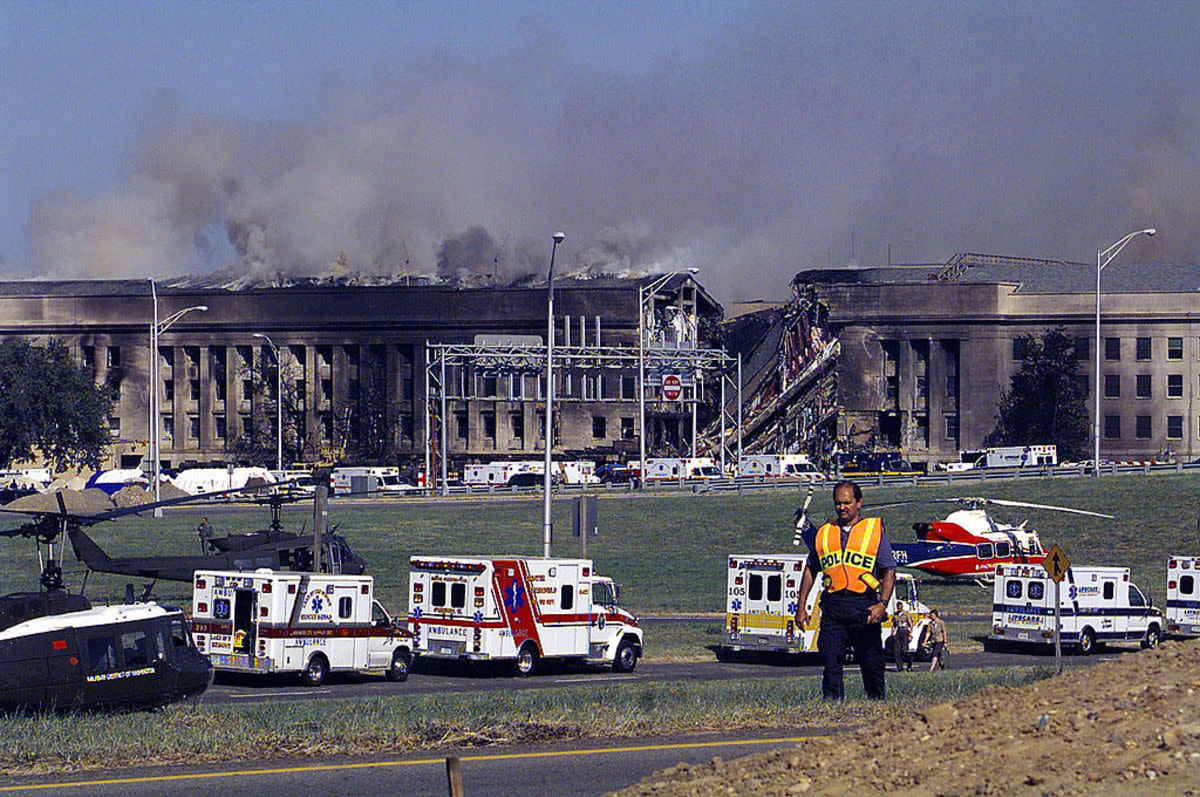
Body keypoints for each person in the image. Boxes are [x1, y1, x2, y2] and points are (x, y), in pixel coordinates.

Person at [795, 480, 897, 700]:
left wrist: (883, 604)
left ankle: (876, 703)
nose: (842, 507)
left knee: (871, 664)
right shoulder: (824, 533)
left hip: (865, 606)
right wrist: (800, 606)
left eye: (847, 503)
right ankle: (832, 707)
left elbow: (889, 570)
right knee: (831, 663)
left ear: (858, 503)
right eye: (838, 503)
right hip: (834, 606)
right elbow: (810, 570)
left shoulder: (873, 531)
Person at [892, 600, 913, 672]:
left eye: (900, 607)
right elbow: (894, 624)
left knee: (904, 650)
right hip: (898, 631)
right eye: (898, 607)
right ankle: (899, 668)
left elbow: (910, 624)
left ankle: (909, 664)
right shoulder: (895, 614)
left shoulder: (906, 614)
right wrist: (892, 633)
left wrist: (910, 634)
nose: (899, 609)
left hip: (905, 631)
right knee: (896, 651)